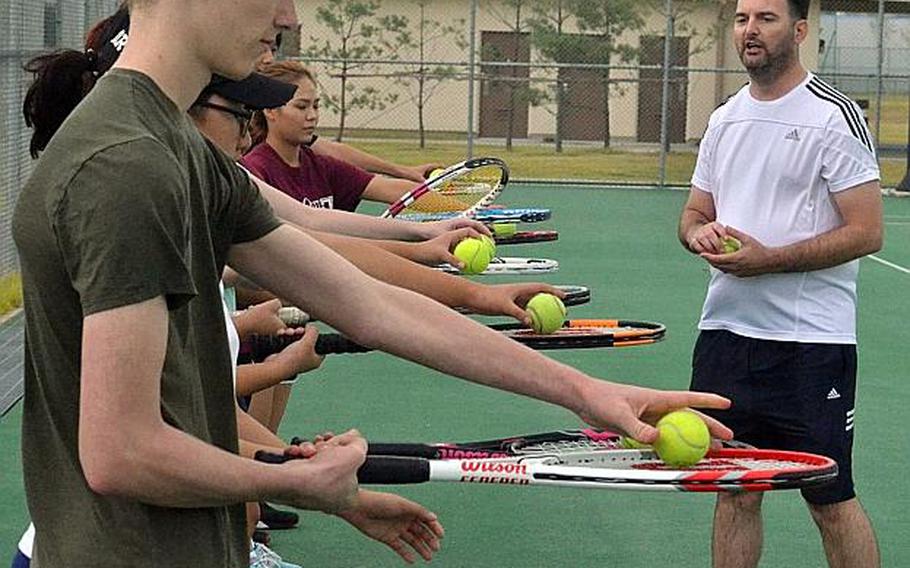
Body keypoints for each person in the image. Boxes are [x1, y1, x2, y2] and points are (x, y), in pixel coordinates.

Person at [14, 1, 731, 566]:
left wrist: (592, 393)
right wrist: (292, 482)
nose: (288, 17)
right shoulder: (128, 165)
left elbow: (373, 305)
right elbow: (122, 451)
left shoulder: (171, 150)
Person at [677, 1, 882, 567]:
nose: (749, 30)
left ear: (798, 31)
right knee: (736, 490)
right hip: (725, 337)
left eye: (765, 18)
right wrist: (700, 234)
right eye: (742, 18)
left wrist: (770, 260)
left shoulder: (833, 116)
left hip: (810, 345)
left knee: (829, 499)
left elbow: (867, 232)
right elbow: (693, 214)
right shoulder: (725, 118)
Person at [242, 60, 418, 211]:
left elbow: (391, 189)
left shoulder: (322, 166)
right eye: (301, 107)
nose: (312, 116)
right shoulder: (255, 171)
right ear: (270, 110)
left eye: (316, 106)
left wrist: (440, 197)